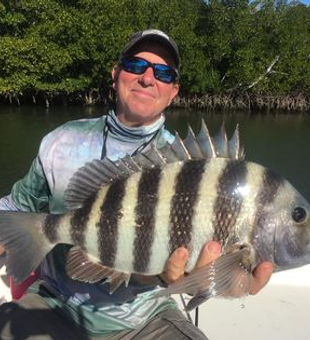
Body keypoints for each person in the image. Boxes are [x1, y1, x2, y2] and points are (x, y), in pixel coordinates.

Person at [0, 29, 273, 340]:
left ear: (174, 91)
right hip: (55, 303)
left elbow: (198, 265)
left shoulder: (189, 164)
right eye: (135, 65)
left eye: (163, 72)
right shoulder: (61, 142)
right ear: (116, 75)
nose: (147, 78)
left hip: (144, 318)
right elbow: (16, 207)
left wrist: (217, 278)